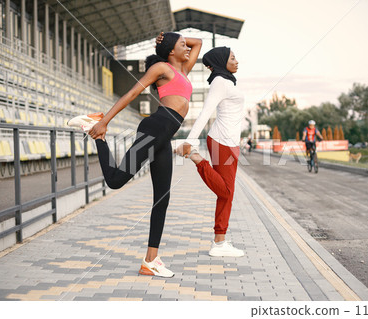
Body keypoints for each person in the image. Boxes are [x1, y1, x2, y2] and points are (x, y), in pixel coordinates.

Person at [67, 32, 202, 277]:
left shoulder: (184, 70)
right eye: (182, 45)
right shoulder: (163, 67)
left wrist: (174, 38)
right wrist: (105, 121)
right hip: (155, 128)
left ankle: (151, 261)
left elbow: (199, 43)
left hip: (164, 135)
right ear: (171, 51)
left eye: (185, 45)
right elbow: (131, 94)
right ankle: (96, 132)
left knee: (162, 198)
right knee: (116, 180)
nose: (187, 47)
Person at [175, 47, 244, 257]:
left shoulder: (226, 81)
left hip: (230, 142)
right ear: (222, 62)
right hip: (222, 141)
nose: (237, 61)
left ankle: (220, 242)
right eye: (232, 58)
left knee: (226, 195)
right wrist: (190, 142)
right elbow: (206, 112)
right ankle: (196, 157)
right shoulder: (220, 83)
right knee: (226, 192)